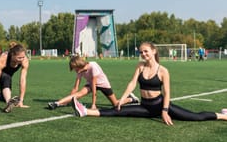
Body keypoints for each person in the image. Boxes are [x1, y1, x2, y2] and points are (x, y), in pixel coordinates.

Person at [70, 42, 227, 124]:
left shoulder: (163, 70)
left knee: (195, 117)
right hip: (145, 106)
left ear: (153, 51)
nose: (143, 54)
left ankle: (223, 116)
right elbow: (132, 84)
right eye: (141, 52)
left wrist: (165, 111)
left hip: (159, 105)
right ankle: (85, 111)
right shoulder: (140, 66)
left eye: (146, 51)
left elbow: (167, 93)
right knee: (118, 111)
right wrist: (121, 100)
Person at [47, 55, 139, 110]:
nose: (74, 70)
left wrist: (93, 104)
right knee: (80, 93)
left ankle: (131, 99)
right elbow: (75, 88)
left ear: (78, 65)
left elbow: (94, 87)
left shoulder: (93, 66)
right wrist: (67, 101)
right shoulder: (79, 71)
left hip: (103, 84)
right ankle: (56, 103)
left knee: (115, 104)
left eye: (74, 68)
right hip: (90, 83)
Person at [0, 42, 29, 113]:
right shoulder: (4, 58)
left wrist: (21, 101)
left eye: (23, 57)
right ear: (12, 55)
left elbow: (23, 80)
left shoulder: (25, 61)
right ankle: (9, 102)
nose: (21, 59)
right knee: (6, 78)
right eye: (19, 58)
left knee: (3, 97)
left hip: (8, 76)